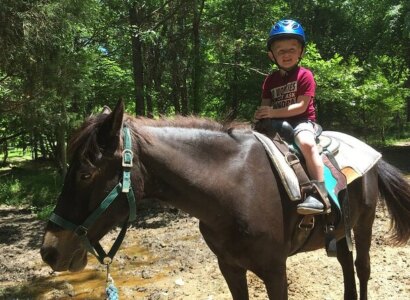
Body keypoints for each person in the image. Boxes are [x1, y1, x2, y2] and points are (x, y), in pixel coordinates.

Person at [254, 19, 329, 215]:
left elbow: (301, 106)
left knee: (306, 144)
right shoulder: (270, 80)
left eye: (292, 49)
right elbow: (266, 106)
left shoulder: (305, 75)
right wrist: (262, 114)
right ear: (272, 55)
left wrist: (272, 112)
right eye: (281, 51)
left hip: (302, 121)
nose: (286, 54)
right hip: (277, 123)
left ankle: (319, 192)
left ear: (301, 52)